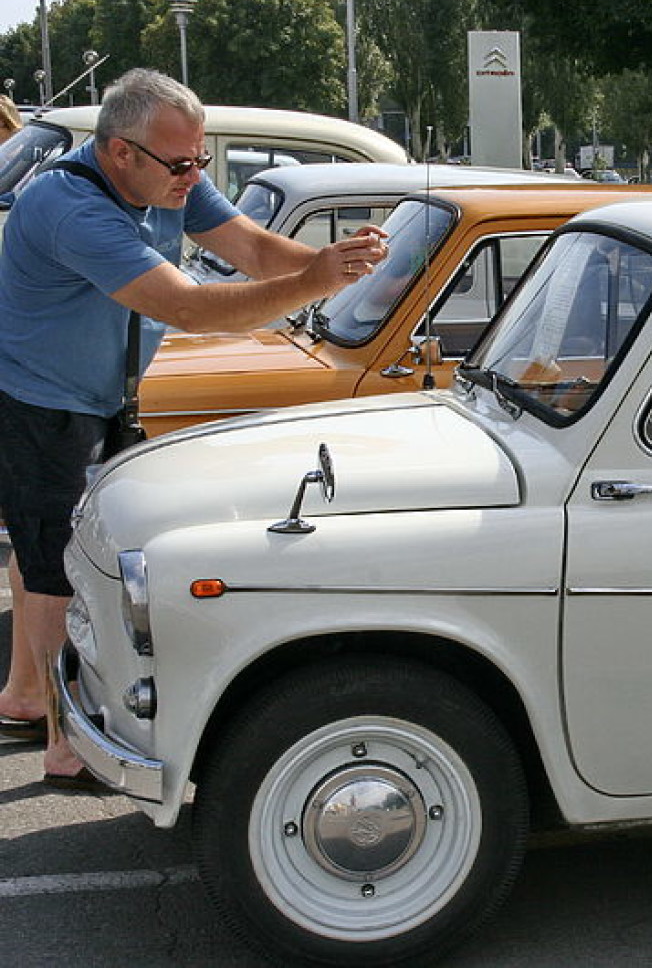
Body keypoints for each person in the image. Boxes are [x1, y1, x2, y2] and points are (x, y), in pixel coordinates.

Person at [0, 69, 388, 790]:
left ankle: (25, 692)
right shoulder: (70, 206)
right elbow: (192, 309)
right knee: (58, 565)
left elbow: (256, 251)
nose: (194, 175)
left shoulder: (166, 175)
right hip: (38, 402)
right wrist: (317, 280)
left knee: (42, 545)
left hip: (96, 396)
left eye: (200, 158)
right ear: (120, 153)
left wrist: (345, 267)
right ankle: (60, 738)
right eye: (180, 163)